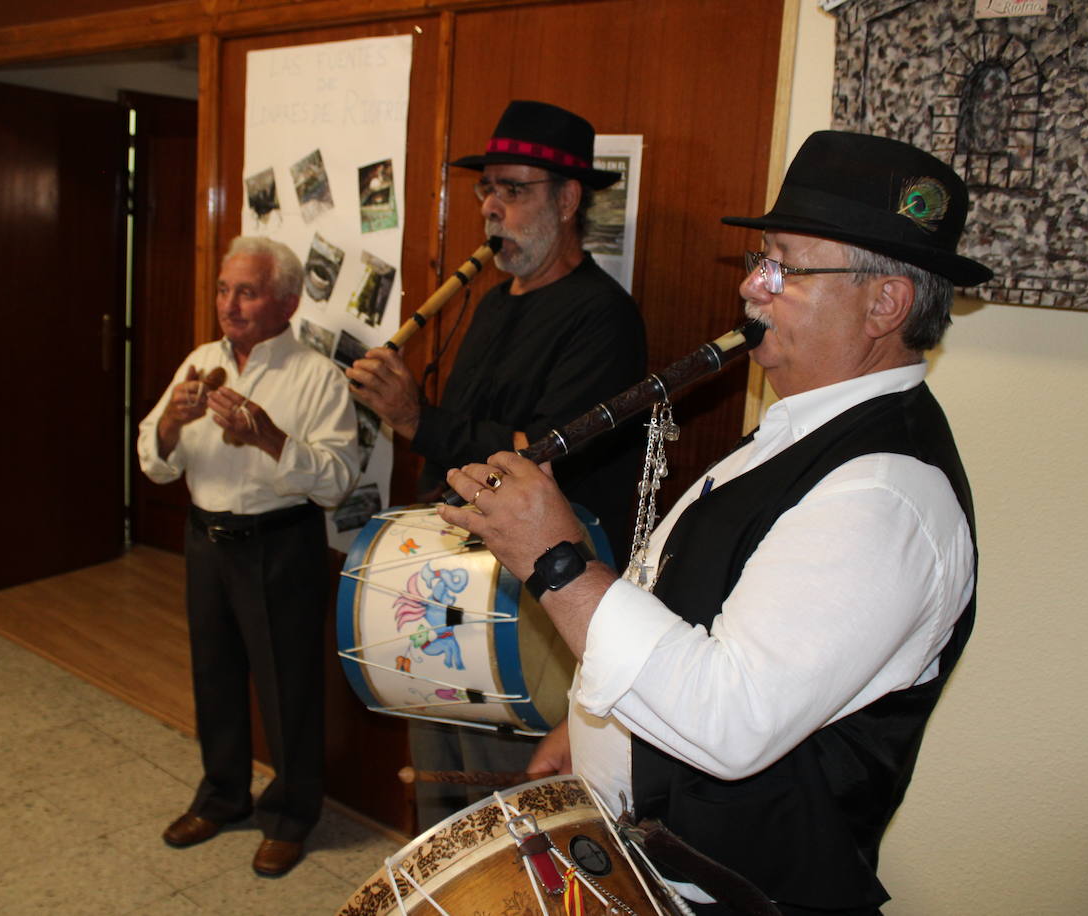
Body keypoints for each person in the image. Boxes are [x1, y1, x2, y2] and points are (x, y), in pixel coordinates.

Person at [439, 131, 990, 916]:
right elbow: (686, 608)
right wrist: (590, 725)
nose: (753, 290)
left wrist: (557, 560)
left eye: (786, 267)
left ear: (885, 304)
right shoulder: (804, 427)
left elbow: (728, 722)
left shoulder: (884, 497)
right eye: (759, 261)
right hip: (655, 864)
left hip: (728, 896)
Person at [346, 99, 647, 828]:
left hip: (529, 609)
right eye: (487, 190)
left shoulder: (601, 316)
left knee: (516, 812)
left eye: (514, 190)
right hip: (445, 584)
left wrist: (416, 417)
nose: (491, 208)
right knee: (441, 791)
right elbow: (464, 444)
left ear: (569, 199)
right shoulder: (487, 305)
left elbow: (537, 462)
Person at [138, 235, 360, 877]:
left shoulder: (317, 376)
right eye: (222, 289)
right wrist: (173, 425)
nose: (229, 304)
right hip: (205, 541)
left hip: (279, 545)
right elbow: (153, 463)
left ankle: (292, 815)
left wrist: (268, 437)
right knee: (213, 677)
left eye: (247, 291)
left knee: (287, 686)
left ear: (286, 301)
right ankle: (224, 796)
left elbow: (339, 479)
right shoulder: (200, 360)